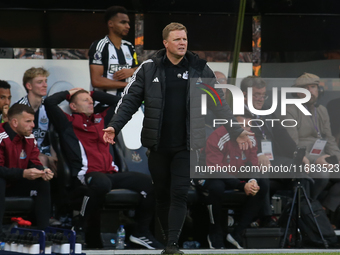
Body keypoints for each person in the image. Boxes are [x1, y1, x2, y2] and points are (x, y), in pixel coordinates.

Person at [103, 22, 252, 254]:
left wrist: (236, 130)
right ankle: (167, 241)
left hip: (188, 145)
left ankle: (173, 244)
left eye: (184, 39)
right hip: (158, 144)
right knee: (162, 195)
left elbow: (219, 103)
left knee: (179, 192)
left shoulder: (200, 68)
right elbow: (130, 100)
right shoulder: (148, 68)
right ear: (166, 43)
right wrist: (114, 126)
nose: (182, 43)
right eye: (177, 39)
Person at [44, 88, 163, 249]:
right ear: (73, 106)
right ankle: (79, 226)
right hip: (87, 174)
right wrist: (70, 92)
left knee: (149, 184)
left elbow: (120, 101)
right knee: (101, 184)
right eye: (85, 100)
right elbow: (49, 102)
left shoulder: (102, 119)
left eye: (91, 100)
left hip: (111, 174)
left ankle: (140, 232)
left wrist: (93, 93)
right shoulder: (68, 122)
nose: (90, 102)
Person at [202, 113, 270, 249]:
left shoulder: (250, 137)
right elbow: (215, 169)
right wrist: (242, 185)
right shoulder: (218, 136)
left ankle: (237, 232)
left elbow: (253, 163)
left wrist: (252, 181)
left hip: (236, 174)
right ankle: (215, 232)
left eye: (248, 126)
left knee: (262, 183)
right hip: (213, 173)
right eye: (241, 126)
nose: (245, 130)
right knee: (216, 187)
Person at [283, 73, 340, 213]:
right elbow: (293, 144)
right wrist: (316, 160)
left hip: (324, 156)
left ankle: (323, 210)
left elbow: (330, 139)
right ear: (298, 92)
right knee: (322, 174)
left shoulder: (322, 110)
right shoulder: (290, 111)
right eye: (305, 88)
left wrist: (337, 158)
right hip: (303, 159)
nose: (310, 91)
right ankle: (307, 208)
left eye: (313, 87)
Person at [0, 104, 54, 234]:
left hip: (15, 182)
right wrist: (23, 173)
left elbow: (33, 161)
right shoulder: (1, 136)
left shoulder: (29, 137)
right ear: (14, 122)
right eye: (28, 121)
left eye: (33, 121)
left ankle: (42, 232)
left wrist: (42, 170)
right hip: (4, 183)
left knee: (43, 182)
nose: (33, 125)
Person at [89, 6, 138, 96]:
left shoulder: (129, 46)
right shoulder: (99, 46)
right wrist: (128, 85)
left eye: (128, 23)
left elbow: (137, 68)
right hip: (104, 103)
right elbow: (96, 81)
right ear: (110, 24)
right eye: (123, 22)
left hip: (126, 101)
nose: (128, 26)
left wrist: (132, 71)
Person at [16, 67, 57, 174]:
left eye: (45, 81)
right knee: (41, 160)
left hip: (44, 150)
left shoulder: (49, 107)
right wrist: (42, 156)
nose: (45, 85)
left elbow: (54, 135)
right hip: (23, 151)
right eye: (40, 82)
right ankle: (37, 191)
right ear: (29, 86)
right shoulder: (19, 108)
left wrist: (54, 156)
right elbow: (16, 140)